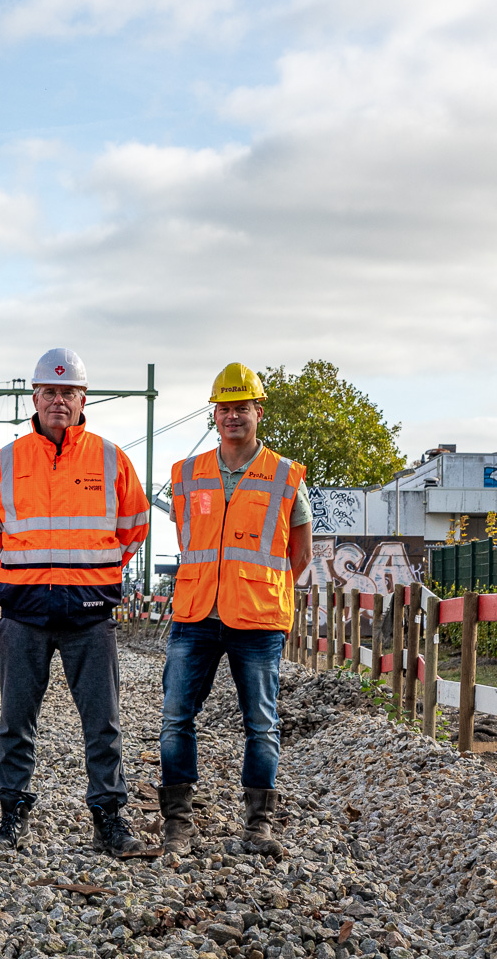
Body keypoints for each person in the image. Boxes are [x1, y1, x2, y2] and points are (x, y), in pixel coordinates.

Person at [0, 348, 152, 856]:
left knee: (102, 721)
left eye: (67, 392)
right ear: (34, 397)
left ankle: (109, 818)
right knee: (15, 720)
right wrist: (25, 567)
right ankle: (12, 816)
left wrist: (93, 570)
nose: (57, 401)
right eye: (49, 392)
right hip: (23, 614)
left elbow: (134, 525)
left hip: (90, 614)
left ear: (82, 399)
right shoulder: (7, 461)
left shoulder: (111, 458)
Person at [156, 362, 313, 857]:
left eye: (241, 408)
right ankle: (178, 825)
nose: (232, 417)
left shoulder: (286, 475)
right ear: (214, 414)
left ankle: (258, 827)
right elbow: (189, 538)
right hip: (196, 613)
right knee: (176, 718)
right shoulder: (187, 474)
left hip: (258, 618)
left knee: (261, 723)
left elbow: (301, 552)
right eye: (224, 409)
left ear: (257, 412)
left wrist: (257, 587)